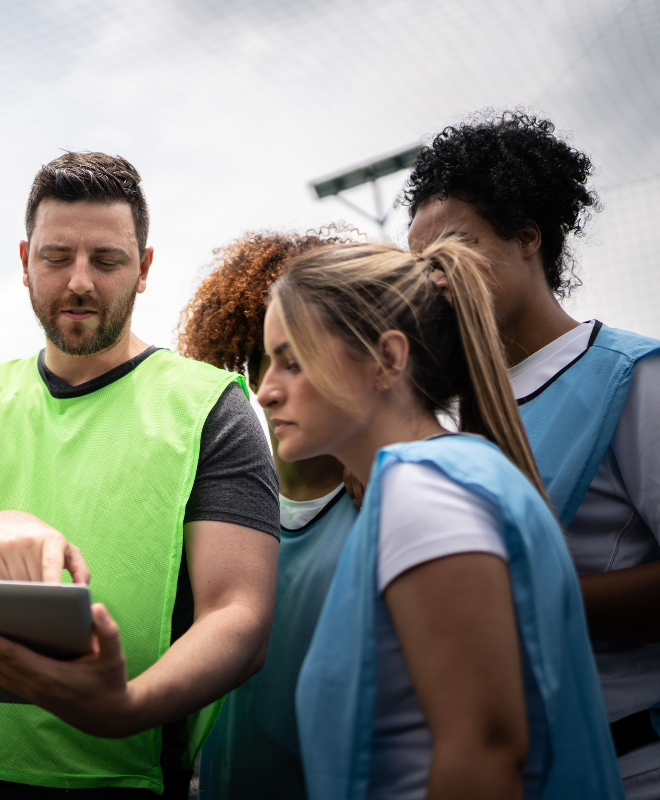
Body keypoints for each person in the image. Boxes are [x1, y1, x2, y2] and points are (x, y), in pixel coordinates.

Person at [0, 151, 281, 799]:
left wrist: (124, 707)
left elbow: (240, 617)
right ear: (25, 261)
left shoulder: (213, 407)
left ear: (144, 269)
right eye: (57, 258)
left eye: (107, 260)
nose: (80, 282)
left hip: (129, 779)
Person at [259, 238, 622, 799]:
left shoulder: (424, 491)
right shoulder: (440, 478)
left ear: (387, 359)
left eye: (293, 361)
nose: (265, 391)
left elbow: (484, 753)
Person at [405, 112, 660, 798]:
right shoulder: (452, 419)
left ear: (528, 238)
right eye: (422, 262)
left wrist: (517, 597)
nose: (439, 276)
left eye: (459, 245)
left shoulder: (633, 376)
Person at [176, 230, 360, 799]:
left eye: (301, 359)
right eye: (264, 360)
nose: (273, 386)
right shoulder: (205, 507)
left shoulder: (388, 503)